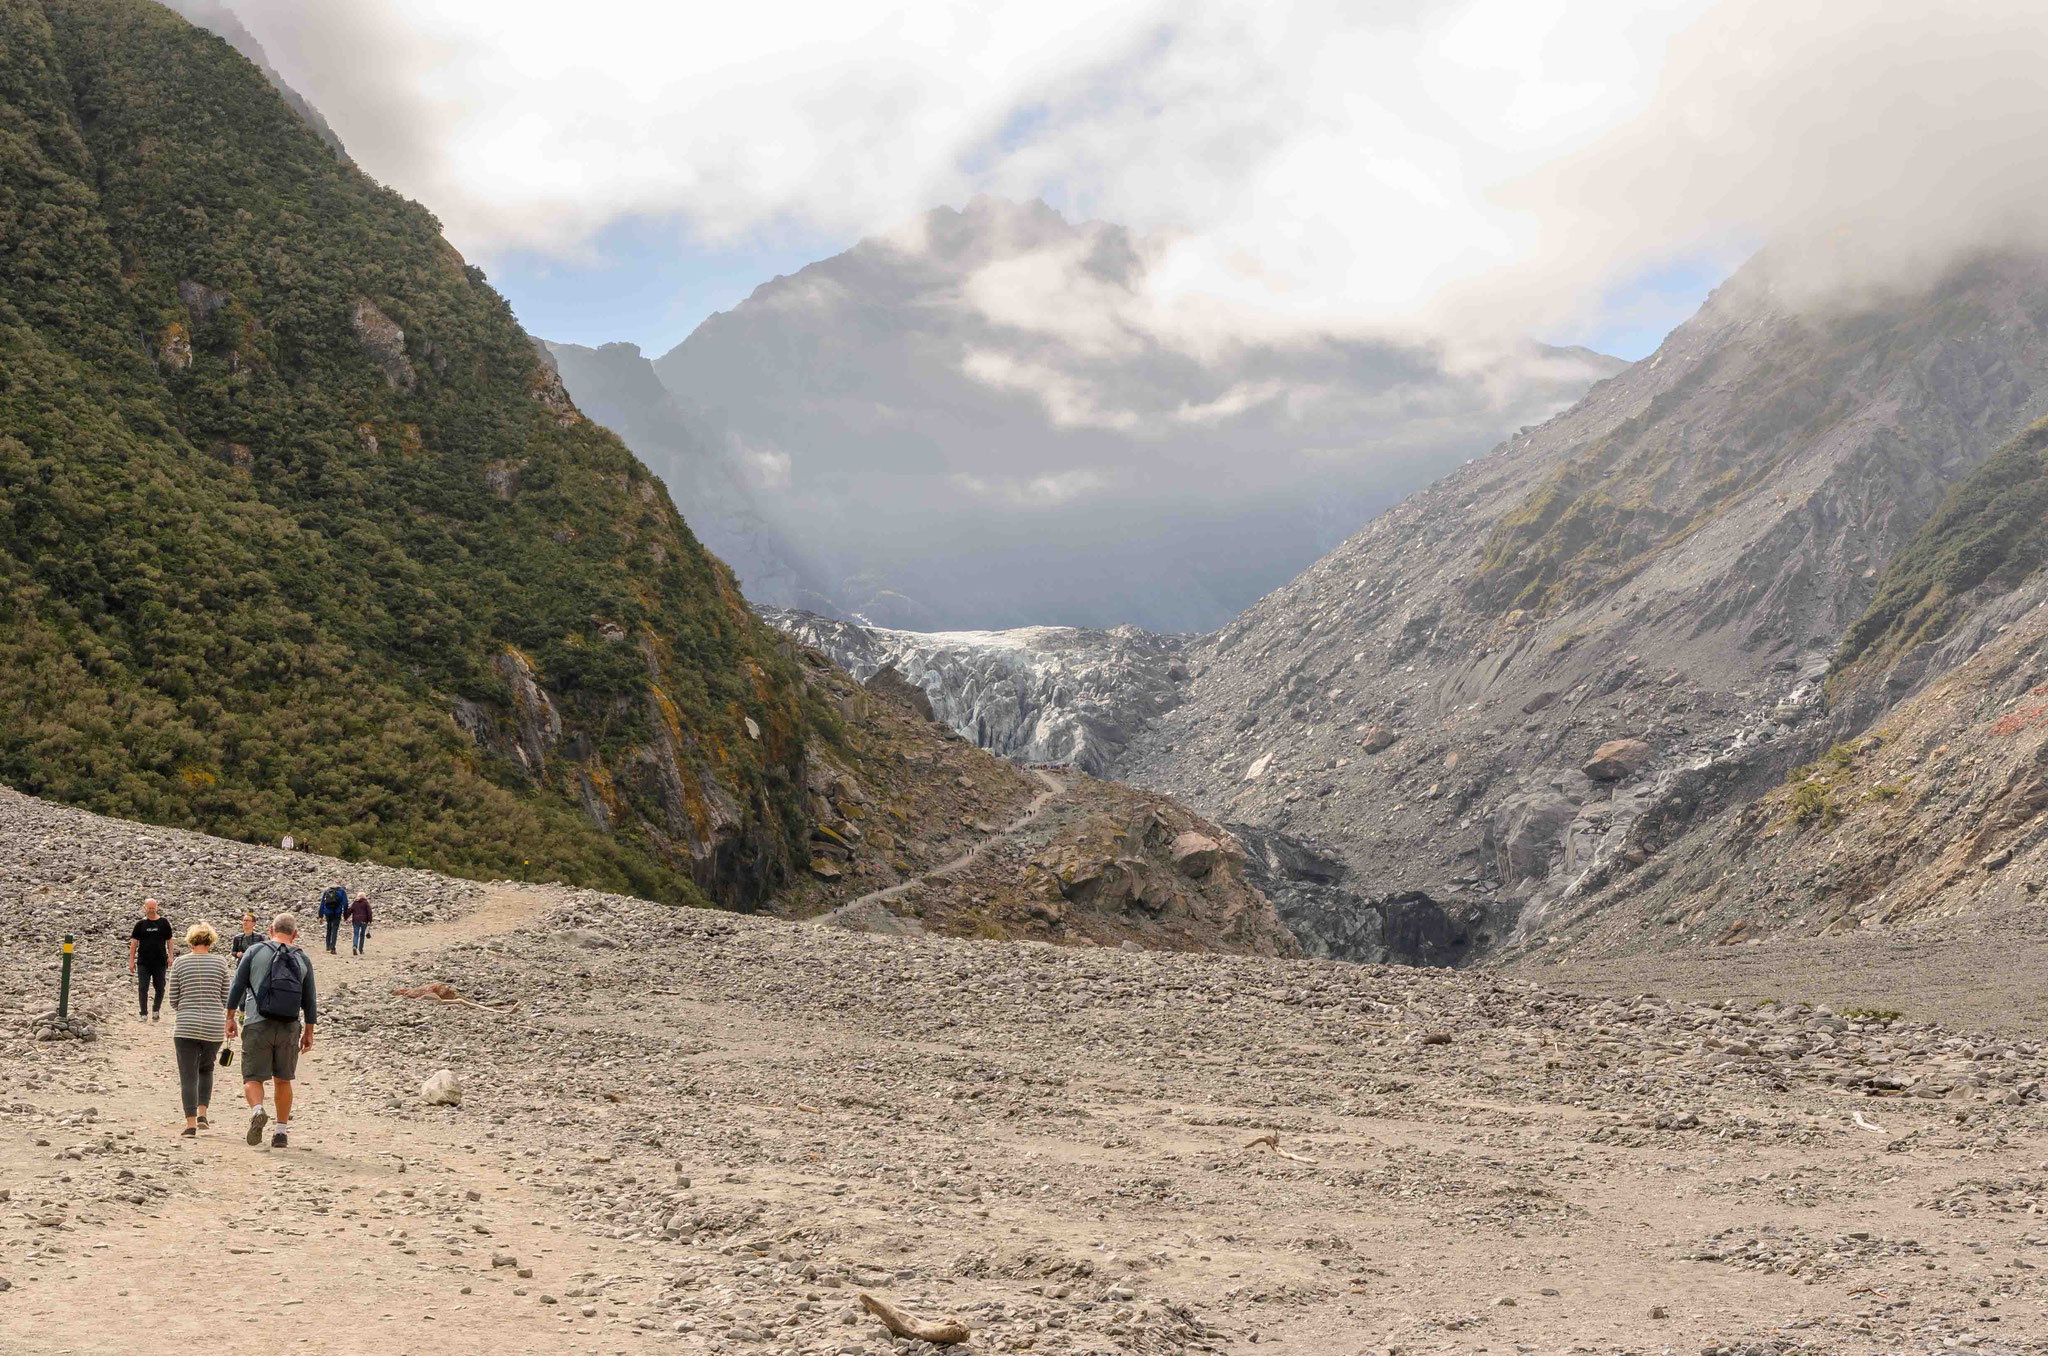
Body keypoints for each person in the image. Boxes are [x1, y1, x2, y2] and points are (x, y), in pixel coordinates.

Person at [226, 912, 318, 1150]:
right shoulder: (302, 958)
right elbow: (309, 999)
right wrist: (309, 1031)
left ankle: (258, 1110)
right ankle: (280, 1132)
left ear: (270, 930)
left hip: (257, 1022)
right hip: (289, 1025)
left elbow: (237, 985)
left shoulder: (254, 951)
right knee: (283, 1079)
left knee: (252, 1077)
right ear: (295, 934)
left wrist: (230, 1018)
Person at [165, 923, 231, 1137]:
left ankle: (191, 1123)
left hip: (186, 1025)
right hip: (213, 1026)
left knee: (188, 1074)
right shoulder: (220, 963)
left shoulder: (180, 964)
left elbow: (173, 999)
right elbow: (225, 998)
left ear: (190, 941)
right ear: (211, 941)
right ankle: (203, 1113)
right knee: (207, 1068)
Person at [128, 898, 175, 1022]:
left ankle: (156, 1009)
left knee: (160, 987)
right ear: (145, 908)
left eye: (153, 908)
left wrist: (171, 956)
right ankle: (143, 1013)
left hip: (160, 961)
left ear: (157, 907)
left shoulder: (164, 923)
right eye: (149, 908)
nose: (151, 910)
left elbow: (169, 940)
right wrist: (131, 961)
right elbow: (134, 944)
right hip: (144, 962)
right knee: (143, 987)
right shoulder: (140, 924)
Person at [317, 885, 349, 955]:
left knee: (329, 927)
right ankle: (332, 947)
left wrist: (320, 915)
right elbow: (345, 903)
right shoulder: (342, 891)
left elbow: (322, 903)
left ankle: (328, 946)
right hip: (337, 912)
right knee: (335, 929)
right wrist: (345, 915)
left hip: (328, 912)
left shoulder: (327, 891)